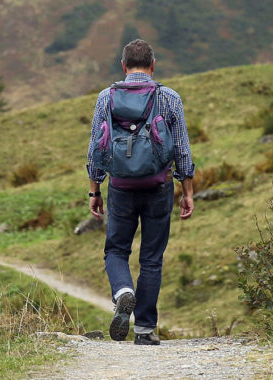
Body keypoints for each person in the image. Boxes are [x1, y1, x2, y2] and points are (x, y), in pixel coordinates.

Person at [86, 39, 195, 345]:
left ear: (123, 66)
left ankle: (123, 291)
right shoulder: (169, 97)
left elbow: (96, 147)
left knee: (116, 250)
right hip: (158, 186)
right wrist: (187, 190)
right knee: (151, 258)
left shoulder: (106, 97)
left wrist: (95, 189)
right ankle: (145, 329)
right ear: (153, 65)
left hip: (120, 186)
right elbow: (182, 149)